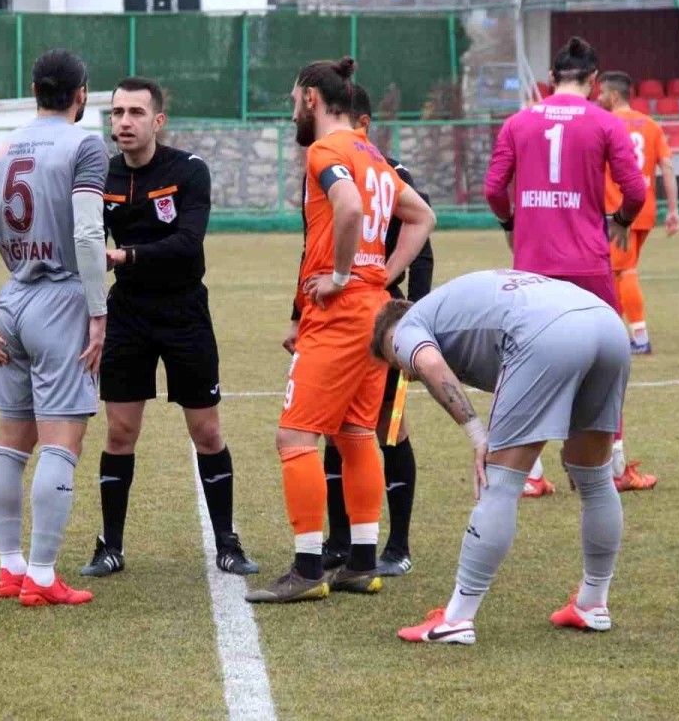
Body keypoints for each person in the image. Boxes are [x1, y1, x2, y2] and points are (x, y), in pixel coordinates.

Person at [245, 57, 436, 603]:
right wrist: (382, 276)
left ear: (310, 97)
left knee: (296, 437)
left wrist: (340, 275)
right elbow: (423, 217)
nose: (291, 111)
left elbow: (348, 207)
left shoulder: (326, 150)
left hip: (341, 313)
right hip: (374, 309)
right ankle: (361, 562)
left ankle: (307, 569)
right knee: (355, 435)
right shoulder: (373, 155)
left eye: (292, 99)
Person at [373, 270, 630, 645]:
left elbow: (428, 364)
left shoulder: (409, 325)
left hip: (547, 332)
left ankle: (457, 619)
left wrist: (477, 433)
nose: (404, 373)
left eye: (395, 362)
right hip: (606, 323)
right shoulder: (455, 310)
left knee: (500, 483)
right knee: (594, 478)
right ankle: (593, 603)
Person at [76, 77, 258, 578]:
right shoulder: (102, 176)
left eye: (135, 112)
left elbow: (187, 242)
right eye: (116, 113)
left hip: (184, 313)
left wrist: (124, 255)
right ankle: (109, 545)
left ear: (158, 120)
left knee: (206, 430)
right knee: (119, 431)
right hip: (128, 316)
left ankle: (228, 540)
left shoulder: (188, 170)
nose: (124, 122)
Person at [0, 49, 108, 607]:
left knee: (12, 441)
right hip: (62, 298)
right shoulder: (85, 145)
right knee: (63, 442)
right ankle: (41, 576)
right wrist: (98, 311)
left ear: (35, 91)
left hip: (13, 300)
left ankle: (10, 566)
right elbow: (89, 236)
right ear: (80, 93)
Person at [483, 36, 653, 498]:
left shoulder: (519, 122)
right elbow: (635, 190)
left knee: (526, 363)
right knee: (607, 364)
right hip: (589, 263)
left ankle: (530, 475)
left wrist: (509, 224)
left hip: (534, 264)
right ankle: (609, 467)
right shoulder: (604, 121)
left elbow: (495, 187)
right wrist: (618, 221)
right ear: (595, 82)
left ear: (552, 80)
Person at [596, 71, 679, 358]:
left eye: (601, 93)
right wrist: (673, 209)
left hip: (619, 212)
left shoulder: (605, 124)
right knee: (619, 271)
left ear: (614, 95)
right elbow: (667, 167)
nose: (597, 97)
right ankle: (615, 333)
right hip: (644, 209)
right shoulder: (651, 125)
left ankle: (640, 337)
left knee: (622, 270)